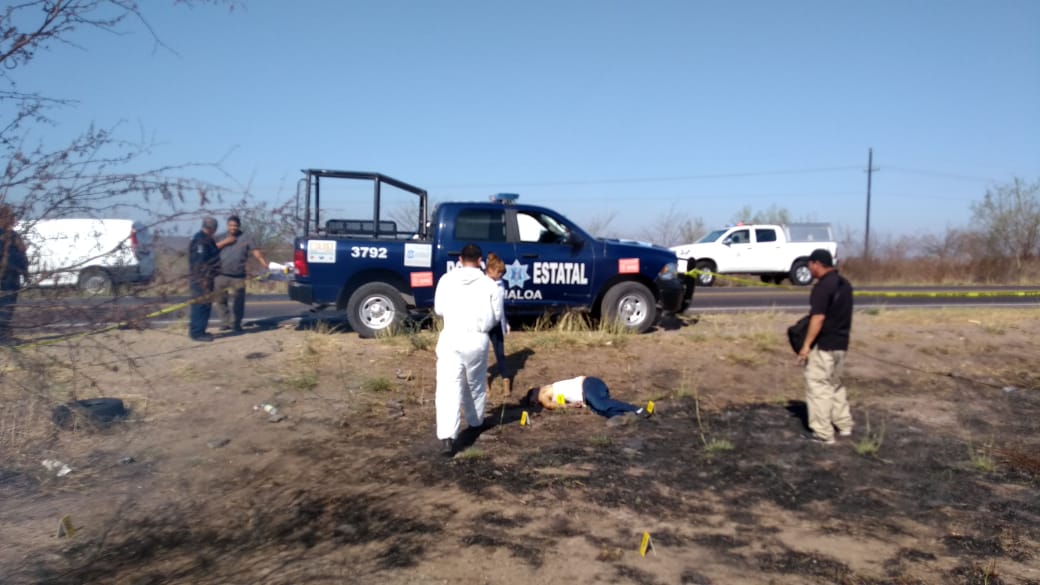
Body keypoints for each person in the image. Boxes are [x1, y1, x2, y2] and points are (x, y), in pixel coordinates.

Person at [434, 243, 502, 456]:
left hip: (451, 336)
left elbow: (439, 309)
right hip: (477, 338)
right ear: (480, 261)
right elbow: (497, 316)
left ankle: (447, 437)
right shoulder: (489, 285)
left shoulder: (446, 280)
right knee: (475, 383)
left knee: (448, 387)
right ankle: (475, 422)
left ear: (460, 260)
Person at [796, 248, 854, 444]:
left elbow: (818, 318)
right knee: (835, 385)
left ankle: (823, 433)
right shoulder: (845, 284)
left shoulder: (822, 287)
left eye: (810, 264)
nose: (808, 268)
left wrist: (806, 346)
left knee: (818, 387)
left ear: (817, 264)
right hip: (841, 345)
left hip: (824, 346)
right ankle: (844, 425)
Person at [214, 215, 268, 333]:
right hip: (220, 274)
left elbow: (255, 251)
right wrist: (225, 242)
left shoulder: (246, 238)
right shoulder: (220, 237)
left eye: (235, 226)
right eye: (231, 225)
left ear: (239, 226)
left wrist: (263, 262)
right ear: (227, 226)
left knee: (238, 301)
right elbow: (212, 249)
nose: (233, 228)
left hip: (238, 275)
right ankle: (225, 322)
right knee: (221, 300)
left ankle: (236, 323)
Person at [521, 376, 649, 419]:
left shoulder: (542, 394)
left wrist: (568, 406)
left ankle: (637, 409)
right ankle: (625, 416)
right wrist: (570, 405)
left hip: (588, 385)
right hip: (588, 390)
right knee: (600, 410)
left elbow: (549, 405)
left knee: (600, 405)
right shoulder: (550, 389)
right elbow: (559, 401)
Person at [187, 216, 225, 342]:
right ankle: (197, 332)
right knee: (201, 305)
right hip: (201, 279)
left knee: (205, 304)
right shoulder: (200, 240)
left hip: (207, 277)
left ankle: (200, 329)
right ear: (213, 228)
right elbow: (200, 262)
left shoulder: (207, 239)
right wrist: (203, 279)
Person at [0, 205, 28, 345]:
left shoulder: (13, 235)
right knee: (5, 307)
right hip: (7, 278)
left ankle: (5, 333)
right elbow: (18, 256)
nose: (13, 220)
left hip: (12, 277)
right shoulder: (7, 236)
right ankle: (2, 337)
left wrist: (25, 273)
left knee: (8, 307)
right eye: (10, 217)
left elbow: (22, 255)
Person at [484, 252, 511, 394]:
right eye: (499, 272)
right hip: (484, 323)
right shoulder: (482, 284)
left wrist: (504, 322)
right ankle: (484, 381)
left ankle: (506, 379)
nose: (500, 275)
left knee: (500, 353)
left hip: (497, 323)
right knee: (483, 353)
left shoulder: (501, 284)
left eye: (502, 273)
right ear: (490, 270)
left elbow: (500, 306)